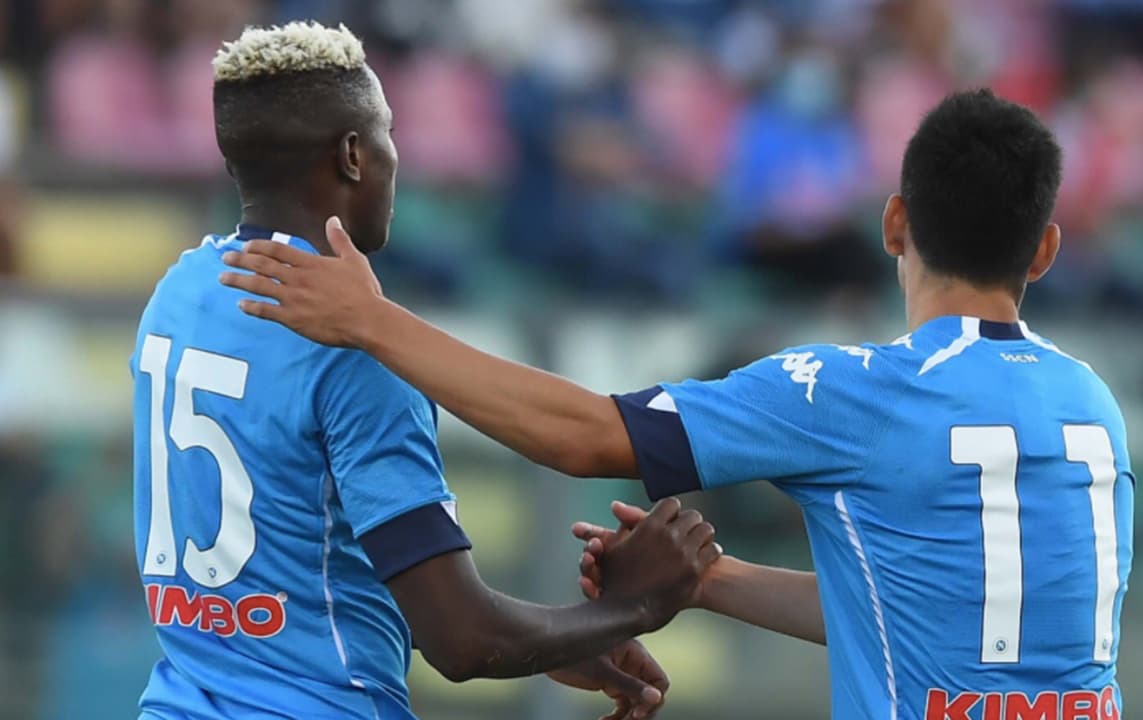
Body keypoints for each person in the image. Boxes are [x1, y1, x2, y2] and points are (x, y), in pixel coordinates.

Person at [221, 89, 1136, 720]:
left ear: (894, 222)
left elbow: (586, 436)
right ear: (1045, 249)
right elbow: (929, 609)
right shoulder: (1092, 406)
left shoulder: (854, 391)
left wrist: (375, 323)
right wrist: (709, 582)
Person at [133, 22, 720, 720]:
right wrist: (641, 605)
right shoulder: (362, 350)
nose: (395, 157)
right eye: (388, 134)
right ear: (353, 155)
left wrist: (565, 644)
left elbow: (303, 565)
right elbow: (464, 640)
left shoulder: (179, 294)